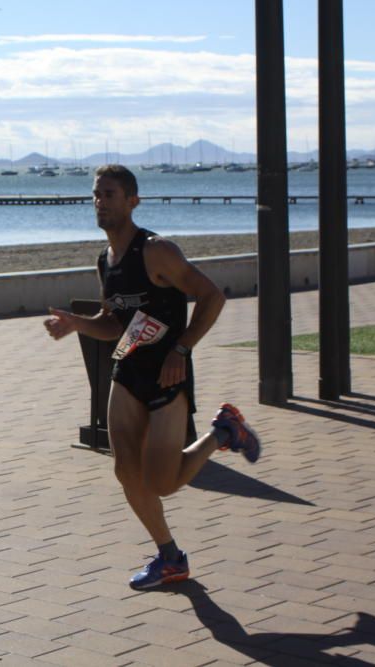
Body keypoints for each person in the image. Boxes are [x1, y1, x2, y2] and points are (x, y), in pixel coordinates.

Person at [44, 164, 261, 590]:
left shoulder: (157, 251)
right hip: (126, 369)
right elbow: (113, 323)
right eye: (95, 195)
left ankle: (223, 431)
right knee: (126, 471)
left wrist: (182, 348)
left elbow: (212, 296)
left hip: (167, 373)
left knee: (163, 482)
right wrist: (78, 324)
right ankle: (170, 556)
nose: (100, 203)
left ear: (132, 201)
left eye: (109, 195)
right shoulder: (105, 260)